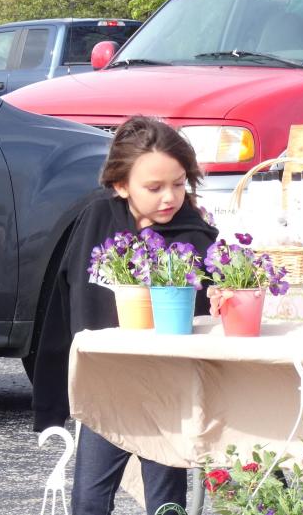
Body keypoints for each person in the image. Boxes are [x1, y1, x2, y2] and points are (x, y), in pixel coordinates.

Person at [31, 116, 219, 515]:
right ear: (121, 185)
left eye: (178, 183)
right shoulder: (96, 219)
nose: (169, 197)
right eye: (154, 187)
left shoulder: (195, 237)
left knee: (166, 502)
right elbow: (63, 303)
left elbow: (204, 321)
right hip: (108, 387)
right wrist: (51, 400)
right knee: (89, 502)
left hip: (167, 392)